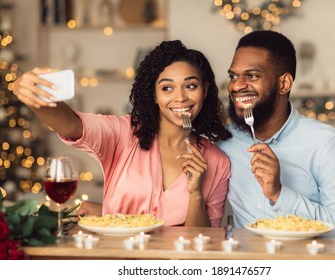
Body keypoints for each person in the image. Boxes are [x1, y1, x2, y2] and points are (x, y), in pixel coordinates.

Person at [13, 40, 232, 227]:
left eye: (190, 86)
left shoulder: (217, 163)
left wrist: (195, 194)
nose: (180, 97)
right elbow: (71, 125)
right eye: (167, 88)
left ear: (204, 90)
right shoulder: (123, 133)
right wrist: (33, 95)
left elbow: (206, 242)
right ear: (154, 95)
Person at [217, 30, 335, 231]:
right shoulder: (225, 142)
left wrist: (279, 194)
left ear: (284, 83)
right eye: (233, 76)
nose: (237, 86)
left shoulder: (326, 143)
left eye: (251, 75)